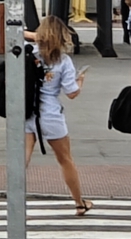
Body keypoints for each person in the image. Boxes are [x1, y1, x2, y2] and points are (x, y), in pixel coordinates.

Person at [28, 15, 89, 215]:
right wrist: (80, 81)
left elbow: (16, 33)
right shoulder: (63, 61)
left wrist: (35, 37)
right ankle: (79, 202)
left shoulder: (29, 54)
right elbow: (71, 93)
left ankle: (16, 202)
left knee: (22, 159)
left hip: (27, 110)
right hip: (51, 112)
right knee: (65, 159)